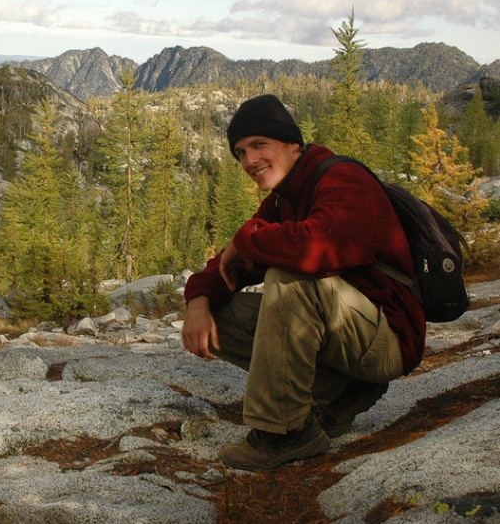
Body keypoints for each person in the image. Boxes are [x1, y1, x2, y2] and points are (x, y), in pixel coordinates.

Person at [182, 94, 426, 471]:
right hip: (348, 334)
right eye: (241, 152)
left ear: (293, 144)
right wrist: (198, 299)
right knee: (222, 311)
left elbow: (314, 250)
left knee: (290, 277)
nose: (249, 161)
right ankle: (341, 389)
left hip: (388, 337)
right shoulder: (283, 199)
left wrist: (248, 237)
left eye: (259, 145)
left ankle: (286, 433)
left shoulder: (343, 179)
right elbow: (233, 264)